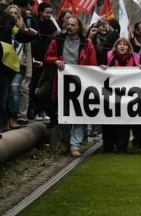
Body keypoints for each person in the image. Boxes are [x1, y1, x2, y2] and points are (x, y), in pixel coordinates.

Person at [44, 16, 97, 156]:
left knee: (78, 113)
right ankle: (65, 140)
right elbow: (47, 57)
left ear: (79, 27)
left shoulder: (86, 43)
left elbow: (92, 64)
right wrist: (55, 61)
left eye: (73, 24)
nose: (70, 27)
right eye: (67, 24)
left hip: (80, 84)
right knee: (64, 114)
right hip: (61, 83)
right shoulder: (57, 41)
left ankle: (75, 145)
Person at [100, 37, 141, 154]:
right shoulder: (109, 57)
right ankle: (108, 146)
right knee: (109, 122)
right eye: (120, 44)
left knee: (124, 123)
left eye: (125, 44)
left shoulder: (135, 59)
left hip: (128, 96)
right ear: (116, 46)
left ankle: (121, 147)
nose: (122, 46)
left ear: (129, 47)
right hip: (110, 95)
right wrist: (104, 68)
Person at [0, 8, 37, 139]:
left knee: (2, 99)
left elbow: (17, 33)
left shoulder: (7, 18)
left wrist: (28, 33)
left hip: (4, 66)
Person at [5, 4, 31, 130]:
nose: (13, 15)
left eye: (16, 13)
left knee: (15, 89)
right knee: (5, 93)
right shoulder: (4, 28)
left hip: (19, 66)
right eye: (11, 13)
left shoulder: (23, 29)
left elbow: (28, 52)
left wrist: (29, 72)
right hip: (5, 65)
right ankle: (5, 119)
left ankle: (13, 117)